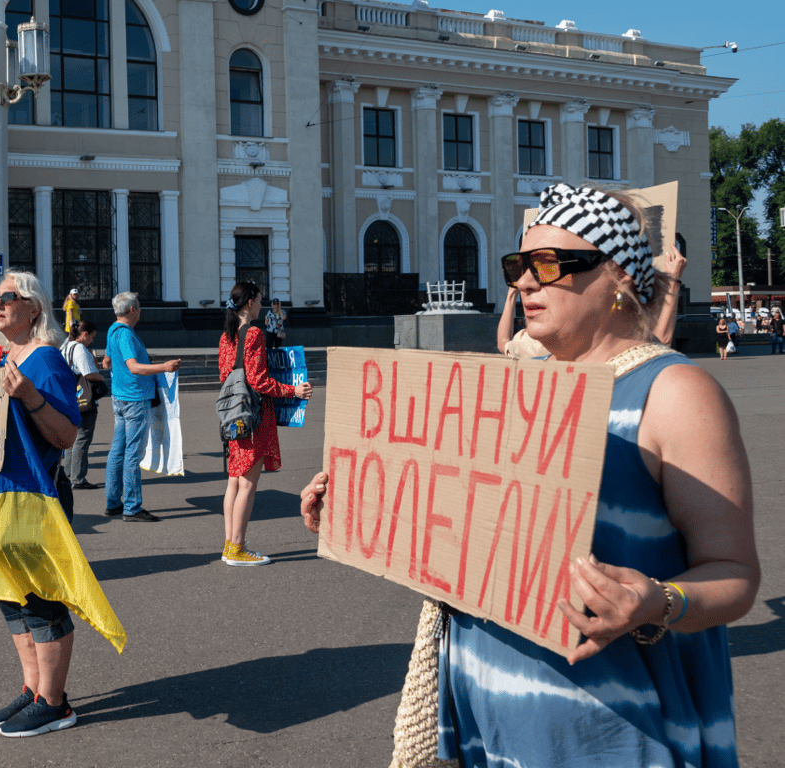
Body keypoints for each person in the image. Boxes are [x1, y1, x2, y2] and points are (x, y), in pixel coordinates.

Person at [303, 183, 759, 767]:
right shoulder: (516, 386)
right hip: (483, 719)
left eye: (548, 264)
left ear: (619, 275)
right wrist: (364, 505)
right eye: (517, 265)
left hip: (610, 734)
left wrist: (656, 601)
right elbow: (463, 532)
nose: (523, 282)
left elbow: (736, 575)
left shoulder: (674, 394)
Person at [0, 269, 84, 737]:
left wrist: (30, 395)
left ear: (33, 308)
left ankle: (55, 703)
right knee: (11, 600)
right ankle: (33, 688)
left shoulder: (47, 360)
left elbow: (66, 435)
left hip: (36, 498)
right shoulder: (3, 356)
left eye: (8, 297)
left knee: (42, 602)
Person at [218, 282, 312, 565]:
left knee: (234, 481)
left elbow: (226, 376)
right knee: (248, 484)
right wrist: (292, 390)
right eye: (259, 300)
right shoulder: (254, 333)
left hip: (233, 415)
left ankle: (229, 546)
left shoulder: (226, 336)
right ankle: (238, 547)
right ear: (249, 303)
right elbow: (259, 381)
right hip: (253, 415)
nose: (262, 304)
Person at [499, 244, 687, 357]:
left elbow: (503, 343)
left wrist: (510, 296)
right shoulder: (612, 342)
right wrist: (673, 281)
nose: (524, 282)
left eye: (549, 265)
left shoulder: (530, 344)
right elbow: (660, 342)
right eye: (518, 270)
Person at [104, 291, 180, 522]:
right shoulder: (126, 335)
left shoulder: (112, 329)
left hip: (120, 397)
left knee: (118, 450)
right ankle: (132, 507)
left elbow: (107, 361)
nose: (140, 311)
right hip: (134, 399)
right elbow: (134, 367)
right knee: (132, 454)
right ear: (132, 310)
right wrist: (164, 367)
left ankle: (113, 502)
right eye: (139, 307)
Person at [61, 319, 104, 490]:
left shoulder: (66, 346)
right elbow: (89, 374)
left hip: (69, 397)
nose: (92, 341)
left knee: (73, 439)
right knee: (83, 438)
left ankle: (69, 474)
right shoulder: (79, 349)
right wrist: (101, 377)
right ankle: (78, 478)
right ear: (84, 334)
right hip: (83, 399)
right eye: (91, 337)